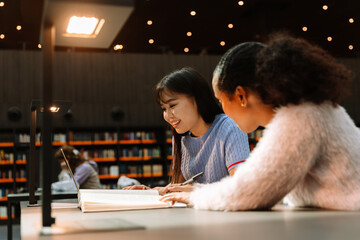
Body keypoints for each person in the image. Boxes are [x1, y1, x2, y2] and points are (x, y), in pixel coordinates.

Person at [160, 33, 360, 210]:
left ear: (240, 95)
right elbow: (251, 183)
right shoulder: (305, 111)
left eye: (221, 100)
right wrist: (196, 191)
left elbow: (251, 192)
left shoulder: (299, 120)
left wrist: (195, 195)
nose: (220, 108)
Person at [124, 67, 250, 194]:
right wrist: (149, 192)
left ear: (197, 98)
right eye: (164, 109)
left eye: (172, 106)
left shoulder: (230, 127)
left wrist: (197, 190)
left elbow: (241, 187)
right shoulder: (180, 138)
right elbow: (179, 188)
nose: (168, 116)